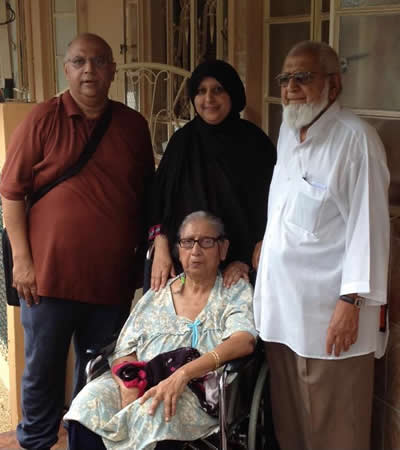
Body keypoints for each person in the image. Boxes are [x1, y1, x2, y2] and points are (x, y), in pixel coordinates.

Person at [0, 33, 154, 450]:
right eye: (79, 61)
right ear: (66, 69)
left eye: (99, 61)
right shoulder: (42, 119)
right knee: (42, 372)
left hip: (110, 282)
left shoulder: (133, 126)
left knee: (98, 375)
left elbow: (146, 196)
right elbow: (11, 193)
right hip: (46, 278)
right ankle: (35, 443)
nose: (89, 70)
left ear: (113, 70)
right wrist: (22, 262)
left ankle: (86, 444)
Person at [253, 40, 390, 450]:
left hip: (329, 320)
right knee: (292, 425)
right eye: (286, 78)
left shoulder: (356, 141)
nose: (291, 86)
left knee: (335, 429)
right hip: (283, 312)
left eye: (303, 77)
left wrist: (352, 302)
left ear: (334, 84)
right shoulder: (289, 131)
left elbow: (371, 227)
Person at [64, 211, 257, 449]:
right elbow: (125, 347)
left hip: (196, 390)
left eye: (207, 242)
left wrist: (183, 374)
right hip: (142, 377)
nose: (196, 251)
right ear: (179, 249)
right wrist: (129, 383)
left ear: (223, 248)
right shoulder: (158, 293)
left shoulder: (233, 290)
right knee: (86, 404)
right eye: (188, 242)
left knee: (155, 414)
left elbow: (244, 340)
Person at [148, 59, 276, 292]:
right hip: (184, 266)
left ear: (233, 93)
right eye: (201, 91)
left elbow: (273, 207)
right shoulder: (181, 143)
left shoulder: (255, 144)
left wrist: (247, 259)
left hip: (239, 271)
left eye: (218, 90)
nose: (208, 99)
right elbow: (159, 201)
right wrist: (162, 246)